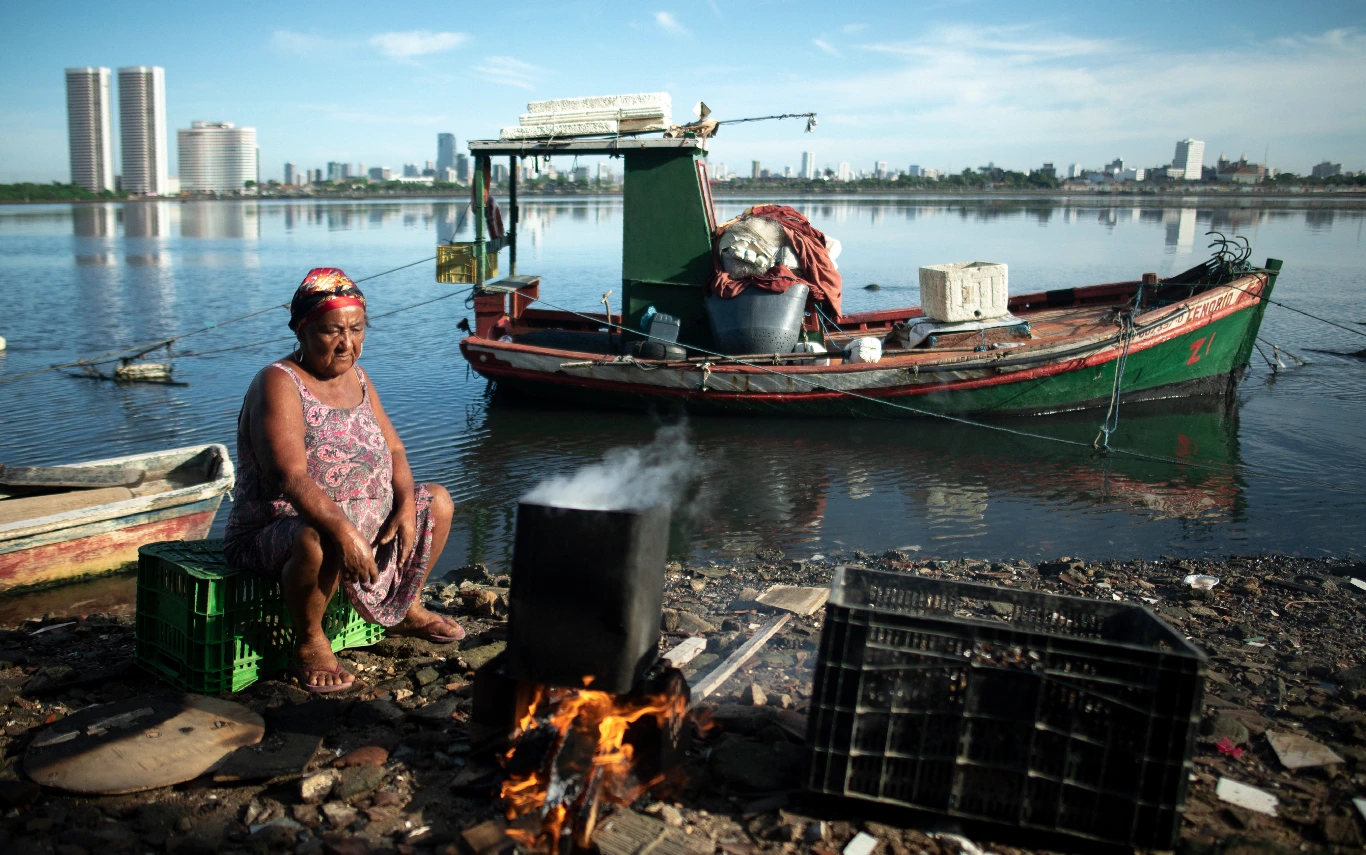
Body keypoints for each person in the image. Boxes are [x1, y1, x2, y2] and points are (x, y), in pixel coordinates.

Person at [225, 268, 463, 693]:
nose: (346, 343)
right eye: (332, 331)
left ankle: (405, 608)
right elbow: (290, 477)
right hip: (278, 527)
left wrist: (405, 502)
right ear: (303, 330)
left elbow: (394, 451)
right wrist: (345, 532)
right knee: (319, 537)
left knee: (438, 501)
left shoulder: (359, 377)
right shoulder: (279, 382)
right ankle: (311, 642)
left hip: (358, 519)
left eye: (356, 330)